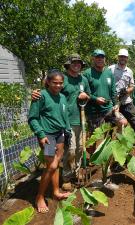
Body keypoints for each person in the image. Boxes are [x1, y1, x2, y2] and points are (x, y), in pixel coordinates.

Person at [31, 54, 91, 191]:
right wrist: (36, 93)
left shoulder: (84, 79)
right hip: (64, 122)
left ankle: (76, 172)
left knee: (80, 149)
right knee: (69, 151)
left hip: (80, 119)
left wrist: (86, 96)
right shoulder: (61, 79)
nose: (77, 65)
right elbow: (50, 92)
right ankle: (67, 177)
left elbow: (89, 94)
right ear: (68, 64)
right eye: (74, 62)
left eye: (79, 63)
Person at [28, 69, 71, 213]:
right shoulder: (41, 96)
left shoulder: (63, 97)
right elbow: (32, 118)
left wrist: (68, 130)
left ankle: (56, 192)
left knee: (56, 164)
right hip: (47, 135)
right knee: (51, 166)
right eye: (55, 83)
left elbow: (64, 116)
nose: (58, 86)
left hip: (60, 134)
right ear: (48, 82)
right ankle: (39, 197)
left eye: (60, 83)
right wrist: (40, 134)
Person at [83, 49, 127, 134]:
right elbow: (85, 93)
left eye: (102, 57)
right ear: (93, 59)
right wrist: (95, 99)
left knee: (123, 122)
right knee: (95, 138)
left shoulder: (109, 73)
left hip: (108, 109)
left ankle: (117, 143)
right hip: (94, 111)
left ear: (104, 59)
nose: (100, 59)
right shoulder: (87, 73)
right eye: (97, 57)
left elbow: (113, 91)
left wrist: (116, 105)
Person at [109, 49, 135, 129]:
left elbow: (132, 86)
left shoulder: (129, 71)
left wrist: (127, 91)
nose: (123, 58)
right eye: (121, 56)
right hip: (113, 101)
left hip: (126, 100)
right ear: (118, 57)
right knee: (110, 124)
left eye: (124, 57)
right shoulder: (111, 69)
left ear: (127, 58)